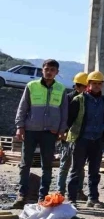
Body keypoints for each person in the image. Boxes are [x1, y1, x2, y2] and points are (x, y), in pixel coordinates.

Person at [13, 59, 68, 208]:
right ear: (42, 70)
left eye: (52, 70)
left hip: (50, 132)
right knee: (25, 164)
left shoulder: (61, 89)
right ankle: (22, 195)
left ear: (57, 72)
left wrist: (61, 130)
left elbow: (64, 112)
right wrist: (20, 126)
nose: (49, 72)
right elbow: (23, 107)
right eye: (46, 69)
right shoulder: (32, 86)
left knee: (47, 165)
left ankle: (43, 197)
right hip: (31, 130)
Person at [63, 71, 104, 209]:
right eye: (94, 83)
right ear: (88, 84)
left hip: (97, 139)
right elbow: (69, 120)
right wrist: (68, 135)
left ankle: (93, 198)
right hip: (81, 139)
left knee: (94, 172)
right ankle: (72, 199)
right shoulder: (79, 100)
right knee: (76, 170)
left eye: (99, 83)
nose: (97, 86)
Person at [58, 72, 88, 199]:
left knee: (79, 166)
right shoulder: (69, 98)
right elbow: (63, 116)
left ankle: (78, 191)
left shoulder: (88, 99)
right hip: (68, 136)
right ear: (76, 86)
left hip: (82, 137)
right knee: (65, 164)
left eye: (86, 86)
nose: (84, 89)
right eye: (82, 86)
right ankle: (60, 191)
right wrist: (63, 132)